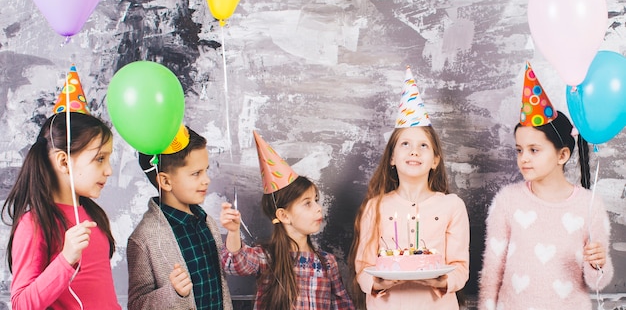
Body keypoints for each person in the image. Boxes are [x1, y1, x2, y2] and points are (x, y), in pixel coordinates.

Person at [479, 63, 614, 309]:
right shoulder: (507, 201)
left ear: (562, 155)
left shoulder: (589, 205)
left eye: (534, 150)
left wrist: (598, 263)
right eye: (519, 150)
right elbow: (491, 272)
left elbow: (598, 281)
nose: (524, 159)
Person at [348, 67, 470, 309]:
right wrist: (377, 284)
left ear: (435, 160)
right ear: (392, 157)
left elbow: (460, 267)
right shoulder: (376, 206)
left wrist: (443, 279)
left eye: (423, 145)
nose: (414, 151)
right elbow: (362, 267)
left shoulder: (452, 206)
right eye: (405, 143)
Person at [1, 66, 121, 309]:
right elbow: (21, 304)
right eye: (99, 159)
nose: (108, 170)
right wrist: (66, 258)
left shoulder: (94, 215)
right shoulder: (35, 223)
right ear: (64, 161)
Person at [220, 131, 355, 310]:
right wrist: (233, 231)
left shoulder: (327, 262)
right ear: (284, 215)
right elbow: (234, 265)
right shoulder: (267, 257)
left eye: (316, 200)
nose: (318, 208)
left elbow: (343, 305)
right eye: (307, 203)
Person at [127, 125, 233, 310]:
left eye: (205, 170)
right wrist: (173, 293)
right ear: (166, 181)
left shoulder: (207, 222)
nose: (206, 180)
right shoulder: (144, 238)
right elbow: (136, 305)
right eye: (196, 174)